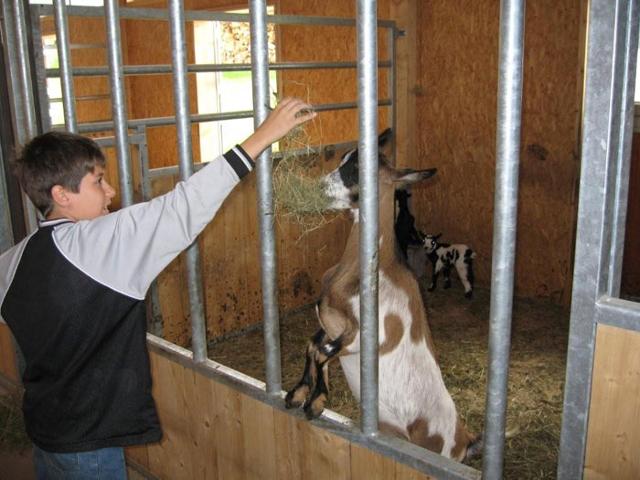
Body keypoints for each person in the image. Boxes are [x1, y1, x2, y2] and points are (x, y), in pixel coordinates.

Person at [0, 97, 316, 479]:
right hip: (90, 442)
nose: (110, 191)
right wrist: (264, 136)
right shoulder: (98, 244)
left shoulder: (14, 259)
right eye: (98, 181)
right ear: (61, 195)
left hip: (45, 429)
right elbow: (183, 207)